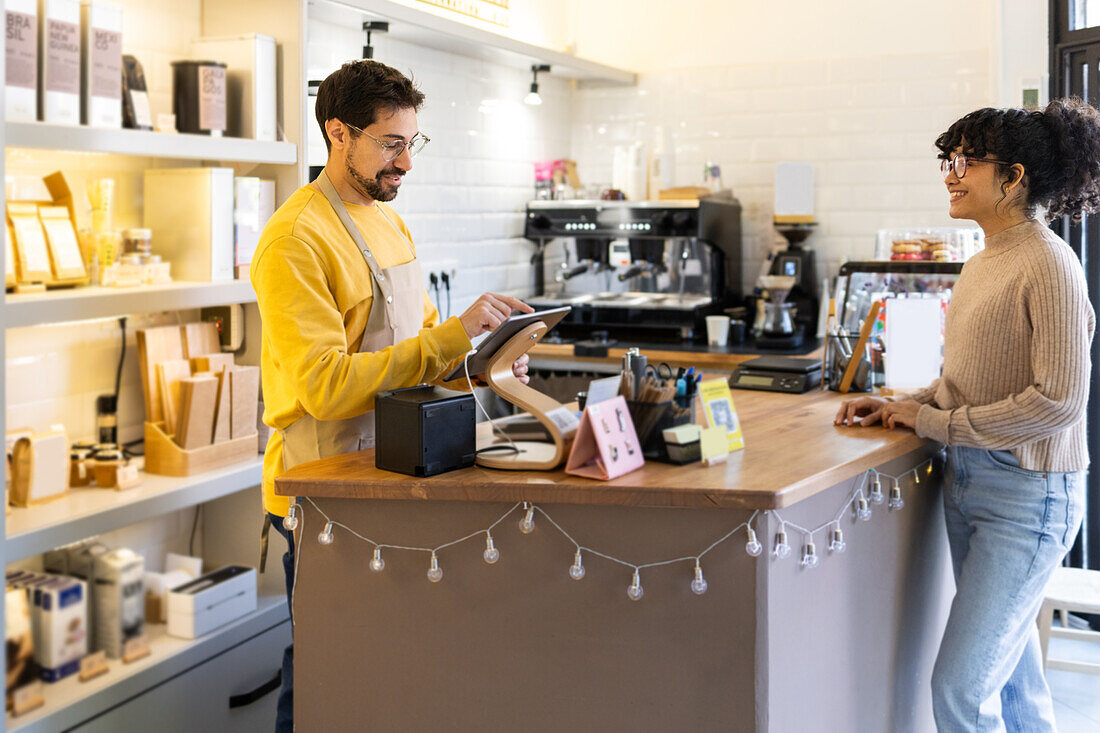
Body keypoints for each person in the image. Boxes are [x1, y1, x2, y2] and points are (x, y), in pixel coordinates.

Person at [251, 59, 533, 732]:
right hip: (321, 490)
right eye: (391, 143)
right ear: (338, 134)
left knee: (384, 668)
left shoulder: (386, 219)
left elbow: (421, 335)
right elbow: (324, 387)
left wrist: (487, 355)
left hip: (392, 473)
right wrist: (449, 339)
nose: (406, 162)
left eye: (413, 143)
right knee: (323, 669)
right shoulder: (295, 240)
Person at [834, 98, 1100, 732]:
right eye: (948, 160)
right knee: (1012, 685)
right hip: (971, 483)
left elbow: (1058, 400)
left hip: (1028, 497)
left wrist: (935, 425)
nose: (951, 174)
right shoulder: (983, 261)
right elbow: (967, 377)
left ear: (1013, 178)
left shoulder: (1051, 264)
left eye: (967, 162)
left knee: (959, 690)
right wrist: (911, 404)